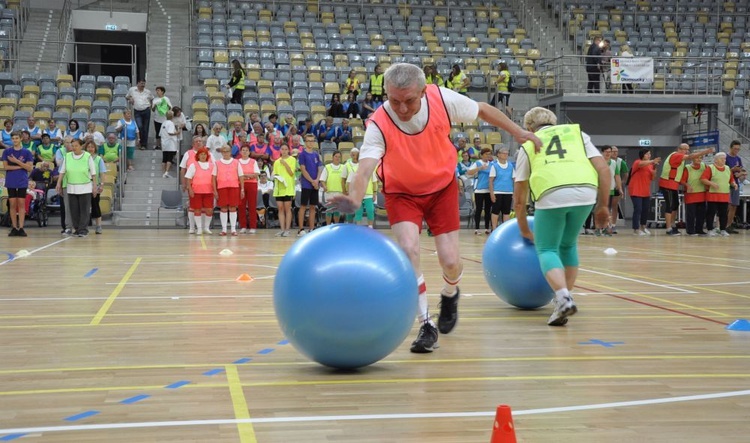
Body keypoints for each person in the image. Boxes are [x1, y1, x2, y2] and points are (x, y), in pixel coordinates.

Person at [328, 63, 541, 353]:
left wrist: (518, 132)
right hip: (402, 193)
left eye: (409, 101)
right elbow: (365, 167)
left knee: (451, 261)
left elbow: (481, 109)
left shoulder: (442, 99)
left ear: (423, 91)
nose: (402, 109)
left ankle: (450, 292)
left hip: (441, 188)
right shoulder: (378, 122)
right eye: (394, 101)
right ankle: (426, 323)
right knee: (408, 250)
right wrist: (354, 197)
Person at [513, 107, 611, 326]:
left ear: (530, 127)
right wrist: (603, 205)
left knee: (547, 248)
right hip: (586, 191)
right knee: (567, 245)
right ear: (554, 122)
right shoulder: (577, 134)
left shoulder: (528, 144)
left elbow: (520, 197)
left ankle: (563, 297)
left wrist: (524, 229)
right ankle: (562, 302)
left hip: (551, 192)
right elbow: (603, 169)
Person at [658, 143, 714, 235]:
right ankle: (668, 228)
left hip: (673, 185)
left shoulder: (684, 159)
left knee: (675, 205)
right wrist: (705, 151)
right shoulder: (676, 155)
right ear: (679, 149)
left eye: (688, 149)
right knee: (670, 205)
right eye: (685, 149)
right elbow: (690, 156)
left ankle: (673, 225)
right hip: (667, 184)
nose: (687, 151)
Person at [56, 139, 96, 237]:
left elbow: (93, 173)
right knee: (74, 210)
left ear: (81, 146)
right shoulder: (68, 156)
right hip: (71, 187)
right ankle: (77, 228)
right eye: (72, 145)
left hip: (85, 187)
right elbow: (62, 171)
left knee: (84, 210)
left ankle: (83, 229)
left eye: (76, 146)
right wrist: (58, 183)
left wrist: (94, 186)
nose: (74, 148)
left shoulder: (87, 156)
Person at [2, 131, 34, 236]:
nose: (15, 140)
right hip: (11, 181)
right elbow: (6, 167)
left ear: (20, 139)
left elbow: (29, 168)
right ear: (11, 140)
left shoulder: (27, 152)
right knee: (12, 204)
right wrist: (21, 166)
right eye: (13, 138)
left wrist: (16, 161)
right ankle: (14, 227)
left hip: (22, 181)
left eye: (17, 138)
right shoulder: (7, 152)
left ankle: (21, 227)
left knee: (21, 204)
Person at [701, 152, 737, 237]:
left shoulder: (728, 168)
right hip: (713, 195)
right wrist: (712, 184)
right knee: (711, 213)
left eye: (725, 159)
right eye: (722, 159)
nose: (724, 160)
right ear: (716, 160)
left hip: (724, 196)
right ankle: (710, 230)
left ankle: (723, 230)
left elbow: (731, 180)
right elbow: (703, 179)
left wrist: (734, 184)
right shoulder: (710, 168)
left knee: (723, 214)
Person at [627, 148, 661, 235]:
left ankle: (643, 227)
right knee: (638, 209)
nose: (649, 155)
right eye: (647, 154)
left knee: (645, 210)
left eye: (650, 154)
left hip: (645, 190)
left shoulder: (650, 165)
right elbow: (641, 164)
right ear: (642, 155)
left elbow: (653, 178)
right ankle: (636, 229)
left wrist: (654, 173)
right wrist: (652, 161)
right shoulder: (637, 162)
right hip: (635, 189)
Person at [184, 147, 216, 235]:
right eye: (201, 154)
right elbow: (188, 178)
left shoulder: (212, 166)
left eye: (205, 154)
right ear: (198, 155)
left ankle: (206, 227)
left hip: (209, 191)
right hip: (196, 191)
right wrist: (190, 189)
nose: (203, 156)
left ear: (207, 155)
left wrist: (215, 190)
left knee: (209, 210)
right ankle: (199, 228)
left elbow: (214, 178)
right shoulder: (193, 165)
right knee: (197, 210)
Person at [214, 145, 244, 236]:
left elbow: (241, 176)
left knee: (233, 208)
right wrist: (215, 190)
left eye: (227, 151)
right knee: (223, 208)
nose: (225, 153)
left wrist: (242, 188)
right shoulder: (217, 163)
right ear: (221, 152)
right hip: (221, 187)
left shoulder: (236, 162)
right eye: (223, 151)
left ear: (230, 152)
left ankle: (233, 229)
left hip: (234, 187)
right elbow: (213, 177)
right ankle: (224, 230)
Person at [296, 134, 323, 236]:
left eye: (312, 141)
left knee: (313, 206)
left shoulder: (316, 154)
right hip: (307, 184)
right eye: (308, 141)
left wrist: (317, 180)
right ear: (305, 142)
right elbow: (303, 170)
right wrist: (312, 181)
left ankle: (312, 228)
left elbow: (320, 168)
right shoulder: (302, 155)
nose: (310, 143)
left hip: (315, 184)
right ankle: (301, 229)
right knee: (303, 206)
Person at [466, 147, 494, 234]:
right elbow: (469, 172)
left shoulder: (492, 164)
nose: (488, 156)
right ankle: (477, 229)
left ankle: (486, 228)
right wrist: (480, 168)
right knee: (478, 209)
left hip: (489, 190)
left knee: (488, 209)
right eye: (486, 154)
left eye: (489, 154)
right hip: (479, 190)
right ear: (481, 155)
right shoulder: (477, 163)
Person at [272, 144, 297, 237]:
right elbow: (275, 174)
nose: (284, 151)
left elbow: (291, 173)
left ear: (288, 150)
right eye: (282, 149)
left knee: (287, 209)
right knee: (280, 208)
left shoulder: (292, 160)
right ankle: (282, 229)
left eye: (286, 149)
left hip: (288, 188)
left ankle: (287, 229)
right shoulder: (276, 162)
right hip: (279, 188)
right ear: (280, 150)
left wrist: (285, 163)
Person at [488, 147, 514, 230]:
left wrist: (515, 193)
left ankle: (504, 229)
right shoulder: (494, 166)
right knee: (495, 211)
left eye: (507, 153)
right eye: (504, 153)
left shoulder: (510, 166)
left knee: (506, 212)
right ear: (498, 154)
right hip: (497, 192)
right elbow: (491, 181)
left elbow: (514, 180)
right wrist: (492, 193)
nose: (506, 154)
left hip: (508, 192)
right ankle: (494, 228)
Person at [85, 140, 107, 234]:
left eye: (92, 147)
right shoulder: (83, 158)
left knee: (95, 205)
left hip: (95, 185)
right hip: (84, 185)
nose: (90, 149)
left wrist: (101, 185)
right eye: (89, 147)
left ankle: (98, 226)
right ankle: (83, 226)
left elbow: (102, 173)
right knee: (84, 207)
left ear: (95, 148)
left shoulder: (98, 159)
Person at [237, 144, 260, 234]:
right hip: (240, 184)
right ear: (240, 152)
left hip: (252, 185)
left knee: (252, 206)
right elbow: (237, 175)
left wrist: (244, 176)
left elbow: (256, 174)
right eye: (243, 150)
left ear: (249, 152)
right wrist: (247, 176)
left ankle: (253, 226)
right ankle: (243, 226)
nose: (245, 152)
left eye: (246, 150)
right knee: (241, 206)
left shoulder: (253, 161)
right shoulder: (237, 162)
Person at [126, 79, 154, 150]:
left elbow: (152, 98)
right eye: (141, 83)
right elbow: (127, 96)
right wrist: (130, 98)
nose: (143, 85)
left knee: (145, 127)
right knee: (139, 126)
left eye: (144, 84)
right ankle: (140, 141)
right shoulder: (132, 90)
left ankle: (144, 144)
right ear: (138, 83)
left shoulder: (148, 92)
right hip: (137, 111)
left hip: (146, 110)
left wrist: (151, 106)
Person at [319, 150, 345, 225]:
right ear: (332, 157)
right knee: (329, 210)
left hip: (339, 192)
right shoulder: (327, 167)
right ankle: (328, 226)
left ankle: (336, 226)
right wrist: (324, 186)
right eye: (336, 156)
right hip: (329, 192)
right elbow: (322, 179)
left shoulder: (343, 167)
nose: (337, 158)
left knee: (337, 210)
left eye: (339, 157)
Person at [684, 154, 708, 236]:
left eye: (700, 157)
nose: (699, 159)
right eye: (697, 157)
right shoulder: (687, 167)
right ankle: (690, 230)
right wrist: (688, 185)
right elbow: (682, 180)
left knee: (701, 214)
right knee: (691, 214)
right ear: (692, 159)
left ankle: (699, 229)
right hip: (691, 194)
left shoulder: (704, 166)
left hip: (702, 194)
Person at [725, 140, 743, 233]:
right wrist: (732, 169)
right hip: (726, 184)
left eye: (738, 149)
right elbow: (723, 171)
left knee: (734, 205)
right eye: (735, 148)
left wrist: (741, 173)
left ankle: (729, 225)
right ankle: (722, 226)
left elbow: (740, 171)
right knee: (726, 205)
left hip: (735, 183)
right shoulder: (725, 157)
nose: (736, 150)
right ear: (731, 147)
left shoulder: (738, 158)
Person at [151, 86, 172, 150]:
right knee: (157, 132)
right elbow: (153, 109)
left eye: (158, 90)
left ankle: (164, 145)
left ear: (162, 91)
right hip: (157, 118)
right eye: (156, 90)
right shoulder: (155, 99)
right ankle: (158, 145)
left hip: (164, 119)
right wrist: (154, 106)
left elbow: (170, 107)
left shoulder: (166, 99)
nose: (157, 92)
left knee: (164, 132)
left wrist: (166, 105)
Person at [159, 110, 179, 178]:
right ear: (172, 116)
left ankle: (164, 172)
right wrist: (177, 132)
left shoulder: (163, 123)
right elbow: (170, 132)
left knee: (164, 158)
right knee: (169, 158)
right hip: (170, 143)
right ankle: (166, 172)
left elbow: (160, 133)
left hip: (164, 142)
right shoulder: (170, 123)